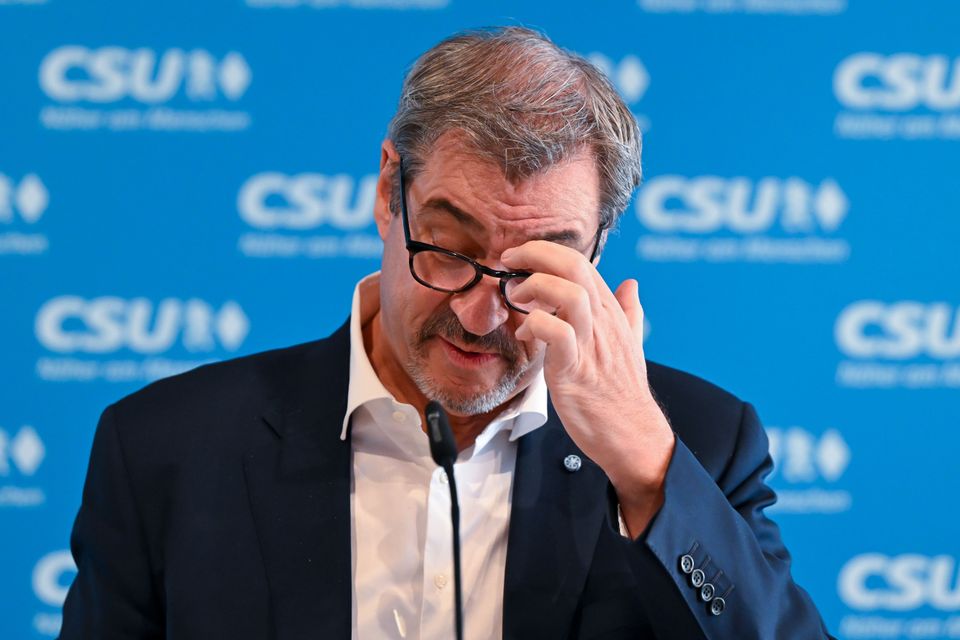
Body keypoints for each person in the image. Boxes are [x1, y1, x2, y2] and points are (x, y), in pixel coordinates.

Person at [60, 26, 834, 639]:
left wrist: (647, 471)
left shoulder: (700, 444)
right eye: (451, 250)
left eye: (532, 270)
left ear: (597, 252)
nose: (480, 315)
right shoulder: (165, 450)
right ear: (387, 191)